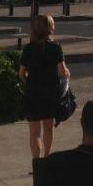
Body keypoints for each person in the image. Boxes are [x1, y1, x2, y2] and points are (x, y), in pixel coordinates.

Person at [19, 14, 71, 162]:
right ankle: (47, 158)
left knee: (34, 132)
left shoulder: (28, 49)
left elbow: (22, 74)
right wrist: (67, 73)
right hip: (50, 93)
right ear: (50, 28)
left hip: (33, 93)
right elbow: (62, 72)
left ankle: (37, 162)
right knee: (48, 128)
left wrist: (29, 83)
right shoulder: (55, 47)